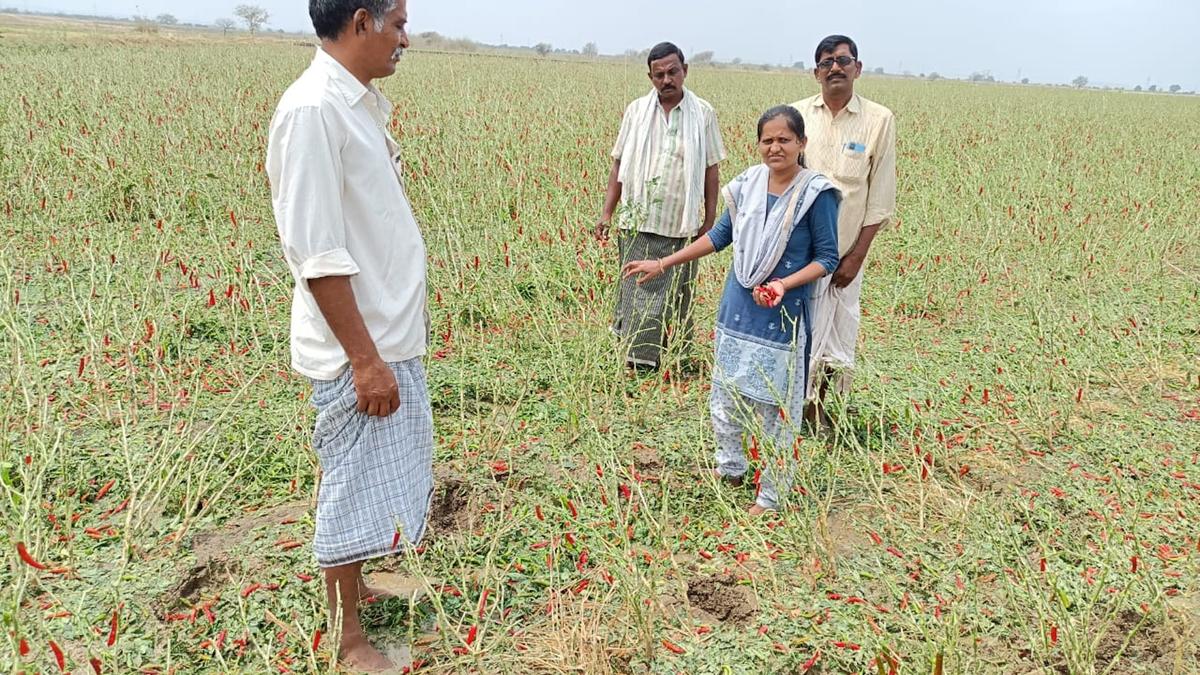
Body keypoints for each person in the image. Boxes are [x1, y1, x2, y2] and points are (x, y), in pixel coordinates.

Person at [266, 0, 428, 670]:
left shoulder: (354, 104)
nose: (405, 39)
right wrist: (364, 359)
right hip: (356, 348)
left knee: (366, 479)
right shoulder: (312, 110)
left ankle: (356, 585)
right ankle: (348, 639)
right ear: (361, 22)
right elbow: (317, 254)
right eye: (397, 24)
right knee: (349, 483)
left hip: (384, 334)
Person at [623, 107, 840, 514]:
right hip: (738, 308)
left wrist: (782, 283)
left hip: (782, 315)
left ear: (801, 143)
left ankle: (771, 495)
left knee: (776, 408)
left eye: (784, 139)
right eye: (767, 140)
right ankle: (732, 467)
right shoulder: (748, 186)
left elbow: (827, 257)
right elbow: (721, 235)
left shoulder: (816, 194)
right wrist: (664, 263)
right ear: (758, 144)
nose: (775, 147)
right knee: (726, 399)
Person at [597, 41, 728, 371]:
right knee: (638, 293)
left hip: (681, 222)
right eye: (659, 74)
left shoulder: (703, 114)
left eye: (673, 72)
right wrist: (606, 213)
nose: (667, 79)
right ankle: (640, 362)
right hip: (637, 219)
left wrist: (709, 219)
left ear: (685, 70)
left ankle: (673, 354)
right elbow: (619, 165)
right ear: (650, 76)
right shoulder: (636, 111)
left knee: (676, 295)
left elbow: (712, 169)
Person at [790, 35, 896, 423]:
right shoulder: (797, 115)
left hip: (848, 250)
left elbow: (880, 196)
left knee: (838, 328)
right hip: (800, 250)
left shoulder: (879, 120)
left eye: (843, 60)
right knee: (797, 326)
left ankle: (817, 405)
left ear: (857, 67)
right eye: (826, 62)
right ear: (815, 72)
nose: (835, 67)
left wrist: (856, 256)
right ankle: (789, 402)